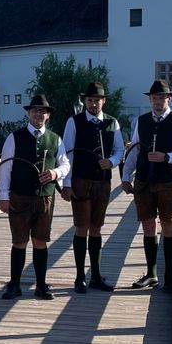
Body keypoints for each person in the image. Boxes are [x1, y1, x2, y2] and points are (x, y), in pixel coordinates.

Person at [121, 79, 172, 293]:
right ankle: (151, 273)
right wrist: (126, 176)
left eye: (162, 97)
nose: (158, 101)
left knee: (168, 226)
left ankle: (169, 277)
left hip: (168, 181)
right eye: (154, 97)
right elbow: (135, 150)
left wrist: (167, 157)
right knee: (148, 226)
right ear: (150, 99)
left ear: (168, 99)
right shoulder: (142, 120)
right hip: (144, 181)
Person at [0, 94, 71, 300]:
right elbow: (5, 168)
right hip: (20, 197)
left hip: (45, 198)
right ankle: (14, 285)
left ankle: (41, 285)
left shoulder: (55, 139)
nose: (38, 114)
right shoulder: (14, 137)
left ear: (48, 115)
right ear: (29, 113)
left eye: (43, 111)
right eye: (35, 110)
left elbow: (66, 164)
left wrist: (55, 173)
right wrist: (3, 195)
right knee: (19, 241)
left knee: (40, 241)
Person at [61, 82, 124, 293]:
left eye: (97, 100)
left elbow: (120, 149)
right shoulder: (74, 121)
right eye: (89, 100)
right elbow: (67, 153)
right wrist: (67, 183)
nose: (93, 104)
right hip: (80, 180)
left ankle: (95, 275)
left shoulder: (112, 123)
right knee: (81, 227)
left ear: (103, 101)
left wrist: (112, 162)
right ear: (85, 101)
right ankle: (80, 277)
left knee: (96, 227)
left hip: (103, 182)